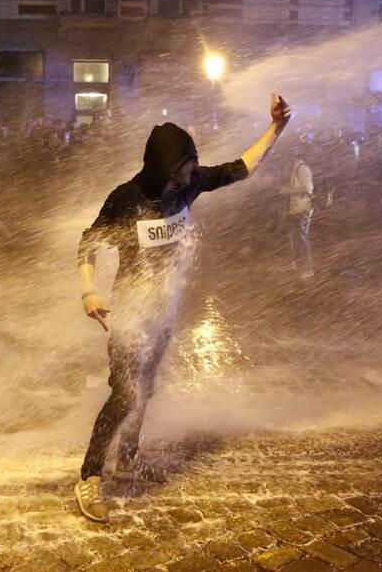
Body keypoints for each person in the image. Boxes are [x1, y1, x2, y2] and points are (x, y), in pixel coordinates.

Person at [73, 94, 293, 523]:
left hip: (162, 310)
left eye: (193, 164)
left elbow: (242, 166)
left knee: (147, 389)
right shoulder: (126, 199)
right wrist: (88, 292)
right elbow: (89, 242)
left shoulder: (188, 185)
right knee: (124, 394)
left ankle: (128, 458)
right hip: (129, 312)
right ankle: (89, 477)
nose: (194, 169)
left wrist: (276, 128)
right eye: (186, 164)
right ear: (165, 168)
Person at [281, 145, 315, 280]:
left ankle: (308, 268)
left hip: (303, 208)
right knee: (292, 235)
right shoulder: (296, 168)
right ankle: (294, 263)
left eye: (285, 158)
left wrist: (288, 191)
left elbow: (308, 188)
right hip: (295, 208)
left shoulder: (302, 168)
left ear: (291, 157)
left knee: (302, 237)